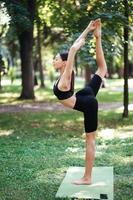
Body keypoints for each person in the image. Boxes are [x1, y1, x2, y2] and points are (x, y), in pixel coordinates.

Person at [53, 19, 107, 185]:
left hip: (87, 104)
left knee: (90, 139)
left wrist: (73, 51)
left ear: (63, 62)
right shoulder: (63, 75)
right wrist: (88, 29)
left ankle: (87, 178)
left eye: (55, 59)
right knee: (102, 69)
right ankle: (98, 38)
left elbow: (73, 49)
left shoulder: (65, 79)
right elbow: (76, 43)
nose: (53, 61)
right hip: (84, 94)